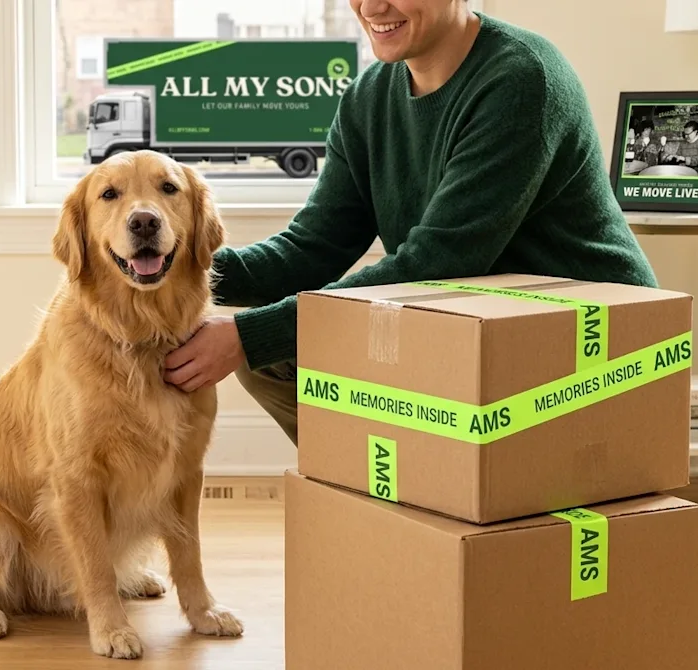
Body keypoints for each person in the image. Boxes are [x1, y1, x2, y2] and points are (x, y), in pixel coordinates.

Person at [161, 0, 659, 445]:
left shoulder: (521, 78)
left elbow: (439, 261)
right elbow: (314, 246)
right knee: (272, 359)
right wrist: (171, 269)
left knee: (265, 342)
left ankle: (420, 502)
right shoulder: (368, 97)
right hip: (476, 316)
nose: (373, 7)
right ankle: (390, 505)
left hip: (584, 328)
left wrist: (247, 334)